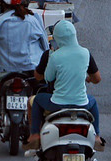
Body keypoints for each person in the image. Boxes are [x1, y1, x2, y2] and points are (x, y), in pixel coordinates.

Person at [27, 20, 102, 151]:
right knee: (93, 101)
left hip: (58, 103)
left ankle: (34, 135)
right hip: (81, 103)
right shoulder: (85, 53)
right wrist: (87, 78)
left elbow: (48, 78)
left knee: (37, 100)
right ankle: (97, 137)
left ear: (56, 38)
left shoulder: (55, 56)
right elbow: (97, 79)